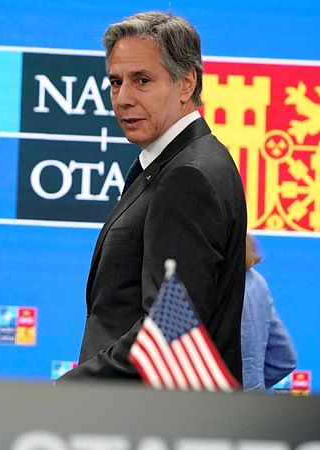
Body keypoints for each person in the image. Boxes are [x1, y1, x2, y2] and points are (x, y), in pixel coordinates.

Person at [57, 11, 247, 383]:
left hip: (154, 420)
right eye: (115, 82)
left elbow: (170, 330)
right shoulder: (176, 161)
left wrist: (71, 387)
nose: (122, 98)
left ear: (185, 83)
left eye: (141, 80)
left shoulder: (188, 175)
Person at [242, 234, 297, 392]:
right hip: (250, 405)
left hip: (210, 406)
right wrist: (252, 385)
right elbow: (285, 359)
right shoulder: (258, 282)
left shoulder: (210, 285)